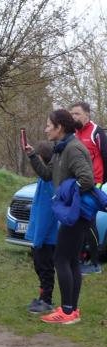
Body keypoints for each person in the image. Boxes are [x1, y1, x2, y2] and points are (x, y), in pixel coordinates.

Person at [25, 109, 95, 324]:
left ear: (60, 127)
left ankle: (66, 312)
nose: (46, 129)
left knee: (61, 259)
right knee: (71, 260)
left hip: (76, 213)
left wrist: (66, 196)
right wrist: (33, 156)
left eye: (49, 125)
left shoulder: (73, 149)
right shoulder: (60, 149)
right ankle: (71, 310)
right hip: (70, 213)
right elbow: (48, 175)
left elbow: (87, 179)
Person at [71, 102, 107, 274]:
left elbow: (106, 156)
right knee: (79, 222)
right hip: (77, 183)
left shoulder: (96, 132)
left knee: (88, 221)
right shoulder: (74, 133)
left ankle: (94, 263)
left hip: (94, 183)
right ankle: (81, 258)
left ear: (87, 114)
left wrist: (102, 181)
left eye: (77, 114)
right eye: (72, 114)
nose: (74, 117)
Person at [24, 142, 57, 314]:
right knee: (40, 267)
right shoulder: (43, 180)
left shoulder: (49, 182)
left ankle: (46, 301)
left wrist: (38, 238)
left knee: (45, 268)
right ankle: (42, 297)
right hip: (40, 235)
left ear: (42, 159)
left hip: (46, 237)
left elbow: (46, 213)